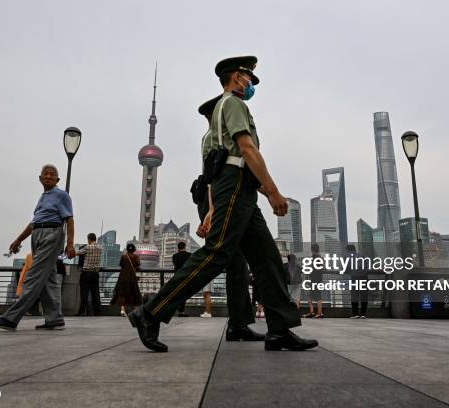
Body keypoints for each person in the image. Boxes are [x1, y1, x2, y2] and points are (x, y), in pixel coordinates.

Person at [129, 56, 318, 352]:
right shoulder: (233, 104)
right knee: (217, 252)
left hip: (241, 189)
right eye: (248, 77)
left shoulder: (225, 111)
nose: (251, 83)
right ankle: (151, 311)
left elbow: (219, 170)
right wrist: (272, 191)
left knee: (267, 258)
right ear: (235, 77)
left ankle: (280, 329)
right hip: (236, 184)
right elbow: (246, 149)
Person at [196, 96, 263, 340]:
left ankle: (239, 323)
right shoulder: (210, 139)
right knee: (224, 257)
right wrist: (211, 213)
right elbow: (213, 178)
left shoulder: (218, 136)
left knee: (238, 264)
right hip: (216, 197)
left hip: (222, 197)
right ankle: (154, 310)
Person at [0, 164, 74, 331]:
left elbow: (69, 220)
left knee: (33, 275)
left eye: (52, 175)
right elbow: (34, 222)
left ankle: (10, 318)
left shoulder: (61, 195)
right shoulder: (43, 197)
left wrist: (70, 244)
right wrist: (19, 239)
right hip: (38, 234)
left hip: (52, 233)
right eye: (45, 174)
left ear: (57, 179)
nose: (48, 176)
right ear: (40, 178)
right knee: (48, 280)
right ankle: (54, 319)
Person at [111, 243, 142, 317]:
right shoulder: (136, 257)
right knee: (134, 293)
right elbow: (138, 265)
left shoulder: (123, 256)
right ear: (134, 249)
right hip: (132, 278)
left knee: (122, 294)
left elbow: (121, 265)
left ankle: (122, 310)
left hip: (123, 277)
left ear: (127, 249)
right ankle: (135, 311)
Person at [76, 233, 103, 316]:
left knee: (84, 294)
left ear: (89, 239)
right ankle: (97, 312)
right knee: (95, 294)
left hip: (86, 273)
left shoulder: (87, 247)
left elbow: (77, 253)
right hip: (95, 274)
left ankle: (81, 312)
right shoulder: (100, 248)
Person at [346, 244, 369, 319]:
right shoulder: (362, 255)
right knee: (364, 296)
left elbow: (345, 268)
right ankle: (363, 314)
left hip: (354, 278)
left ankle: (355, 314)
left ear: (348, 250)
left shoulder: (348, 257)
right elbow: (367, 265)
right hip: (364, 277)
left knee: (354, 296)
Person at [304, 243, 324, 318]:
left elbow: (309, 268)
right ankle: (314, 312)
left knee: (313, 295)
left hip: (313, 279)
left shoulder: (312, 258)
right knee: (315, 295)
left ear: (312, 250)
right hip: (319, 279)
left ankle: (319, 313)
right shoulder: (320, 258)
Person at [171, 242, 191, 317]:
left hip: (177, 276)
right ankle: (181, 311)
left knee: (177, 293)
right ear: (185, 247)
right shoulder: (189, 255)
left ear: (178, 248)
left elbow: (175, 264)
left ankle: (177, 308)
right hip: (186, 276)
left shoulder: (174, 256)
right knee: (184, 294)